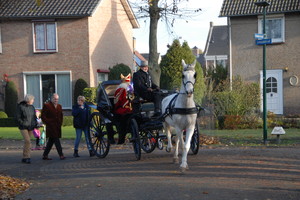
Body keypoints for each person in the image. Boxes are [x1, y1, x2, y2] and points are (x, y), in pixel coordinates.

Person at [41, 93, 65, 160]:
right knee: (56, 140)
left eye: (57, 99)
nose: (56, 100)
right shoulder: (47, 105)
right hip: (51, 126)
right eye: (55, 99)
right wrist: (48, 122)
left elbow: (61, 115)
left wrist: (60, 122)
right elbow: (43, 116)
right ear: (51, 99)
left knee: (51, 141)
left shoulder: (59, 106)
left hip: (57, 126)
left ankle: (45, 155)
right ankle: (61, 154)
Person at [16, 94, 38, 164]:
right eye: (32, 100)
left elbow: (34, 117)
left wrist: (35, 124)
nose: (33, 101)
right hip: (23, 127)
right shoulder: (20, 106)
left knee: (28, 142)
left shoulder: (32, 107)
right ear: (29, 100)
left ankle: (25, 157)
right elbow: (17, 117)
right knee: (27, 141)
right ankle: (26, 157)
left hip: (30, 126)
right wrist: (22, 123)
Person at [114, 74, 133, 144]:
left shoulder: (129, 89)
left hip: (128, 108)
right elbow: (118, 102)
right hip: (122, 109)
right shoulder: (121, 90)